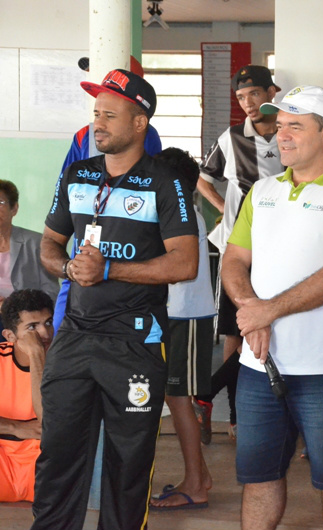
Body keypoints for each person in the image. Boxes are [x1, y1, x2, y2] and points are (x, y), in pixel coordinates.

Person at [34, 69, 199, 530]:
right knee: (58, 455)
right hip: (75, 336)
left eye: (109, 114)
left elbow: (185, 263)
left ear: (140, 121)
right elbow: (49, 245)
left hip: (135, 343)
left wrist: (109, 268)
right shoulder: (78, 174)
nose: (98, 124)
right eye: (95, 114)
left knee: (129, 466)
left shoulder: (164, 182)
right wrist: (68, 267)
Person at [222, 85, 323, 530]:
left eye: (295, 125)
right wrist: (251, 309)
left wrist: (267, 312)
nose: (282, 135)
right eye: (280, 125)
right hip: (259, 367)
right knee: (258, 477)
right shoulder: (263, 191)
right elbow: (234, 260)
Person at [194, 65, 284, 441]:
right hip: (238, 248)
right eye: (241, 97)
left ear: (272, 92)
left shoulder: (290, 134)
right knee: (234, 330)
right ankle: (236, 415)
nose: (247, 103)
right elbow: (203, 177)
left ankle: (209, 394)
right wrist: (221, 210)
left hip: (279, 246)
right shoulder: (231, 137)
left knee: (271, 325)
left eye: (254, 95)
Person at [149, 148, 215, 510]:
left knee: (179, 400)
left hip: (185, 317)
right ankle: (200, 476)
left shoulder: (182, 213)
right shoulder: (179, 209)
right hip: (176, 316)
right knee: (176, 400)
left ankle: (195, 484)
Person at [0, 289, 53, 503]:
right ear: (10, 336)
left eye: (48, 323)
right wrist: (15, 427)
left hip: (41, 457)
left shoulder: (66, 364)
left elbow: (49, 421)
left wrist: (37, 356)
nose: (46, 333)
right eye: (32, 327)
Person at [0, 180, 58, 307]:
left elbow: (51, 291)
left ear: (14, 209)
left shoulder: (36, 243)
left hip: (25, 317)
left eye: (0, 203)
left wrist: (16, 308)